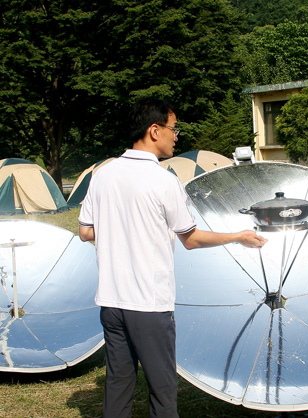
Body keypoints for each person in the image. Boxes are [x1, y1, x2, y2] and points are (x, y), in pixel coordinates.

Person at [78, 98, 267, 418]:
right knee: (163, 391)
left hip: (111, 303)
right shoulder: (164, 181)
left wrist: (122, 231)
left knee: (118, 384)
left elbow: (86, 232)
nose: (176, 135)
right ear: (154, 130)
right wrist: (237, 236)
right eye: (172, 128)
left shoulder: (103, 174)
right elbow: (190, 239)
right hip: (149, 307)